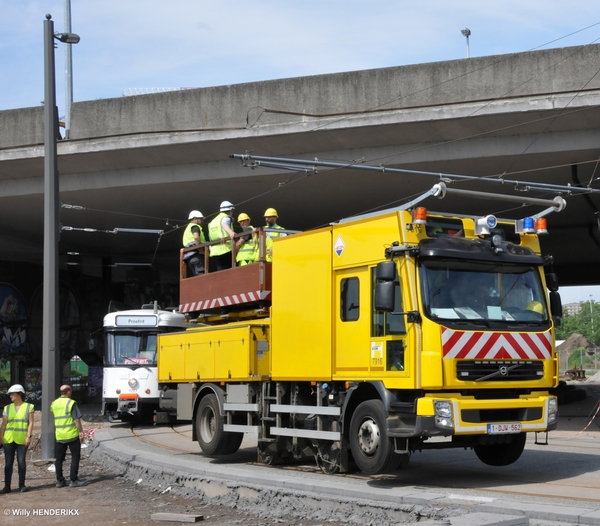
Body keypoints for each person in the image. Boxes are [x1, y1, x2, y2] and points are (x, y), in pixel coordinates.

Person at [0, 384, 34, 493]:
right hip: (9, 438)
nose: (10, 396)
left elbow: (31, 423)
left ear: (19, 394)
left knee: (21, 462)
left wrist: (28, 437)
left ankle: (21, 485)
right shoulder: (7, 408)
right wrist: (1, 437)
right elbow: (3, 424)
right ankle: (7, 486)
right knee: (8, 463)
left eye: (12, 394)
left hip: (22, 438)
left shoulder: (29, 407)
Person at [50, 385, 86, 488]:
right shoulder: (71, 403)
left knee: (59, 459)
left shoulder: (54, 403)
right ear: (69, 392)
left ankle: (60, 481)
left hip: (60, 435)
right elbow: (76, 420)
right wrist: (81, 432)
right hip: (72, 434)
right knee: (75, 456)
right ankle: (73, 480)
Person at [208, 201, 236, 271]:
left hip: (214, 251)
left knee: (221, 272)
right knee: (230, 271)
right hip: (225, 249)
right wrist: (231, 232)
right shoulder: (226, 217)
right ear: (230, 210)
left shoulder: (213, 221)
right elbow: (224, 224)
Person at [182, 210, 206, 276]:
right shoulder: (195, 227)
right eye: (200, 219)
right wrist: (200, 250)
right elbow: (196, 237)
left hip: (189, 258)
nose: (202, 221)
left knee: (196, 276)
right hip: (196, 255)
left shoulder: (188, 228)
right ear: (195, 219)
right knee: (201, 276)